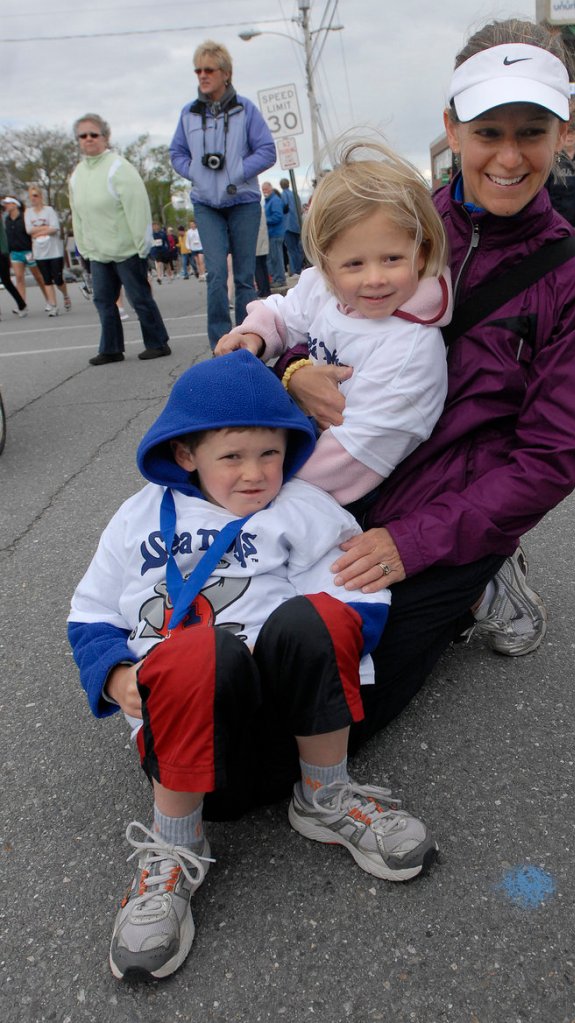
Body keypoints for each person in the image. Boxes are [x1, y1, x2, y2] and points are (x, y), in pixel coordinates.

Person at [270, 18, 575, 747]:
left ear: (561, 136)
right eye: (487, 129)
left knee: (329, 719)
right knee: (262, 655)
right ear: (451, 127)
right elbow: (305, 311)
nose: (508, 155)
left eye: (531, 131)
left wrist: (415, 541)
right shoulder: (397, 220)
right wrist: (291, 370)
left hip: (444, 514)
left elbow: (550, 457)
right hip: (352, 471)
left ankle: (483, 572)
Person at [67, 350, 436, 981]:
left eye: (270, 453)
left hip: (291, 716)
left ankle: (325, 796)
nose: (255, 473)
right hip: (187, 724)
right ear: (187, 455)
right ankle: (174, 847)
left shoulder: (302, 505)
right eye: (232, 457)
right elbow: (90, 610)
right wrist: (114, 674)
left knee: (313, 614)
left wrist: (335, 635)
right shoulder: (136, 518)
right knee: (196, 649)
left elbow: (357, 588)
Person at [216, 140, 451, 509]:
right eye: (354, 264)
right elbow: (284, 311)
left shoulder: (410, 347)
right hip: (314, 443)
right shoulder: (324, 289)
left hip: (366, 485)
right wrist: (253, 335)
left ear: (420, 255)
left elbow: (354, 454)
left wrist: (274, 492)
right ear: (326, 265)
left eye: (391, 258)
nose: (374, 279)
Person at [169, 40, 276, 348]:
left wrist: (237, 170)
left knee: (244, 277)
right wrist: (196, 171)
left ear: (226, 73)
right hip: (206, 204)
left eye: (209, 70)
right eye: (198, 70)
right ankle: (220, 344)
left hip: (242, 201)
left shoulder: (246, 110)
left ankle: (247, 341)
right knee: (216, 275)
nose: (202, 76)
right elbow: (176, 152)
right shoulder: (188, 114)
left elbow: (267, 151)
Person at [69, 113, 171, 366]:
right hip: (97, 253)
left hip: (127, 249)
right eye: (83, 136)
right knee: (103, 300)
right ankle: (111, 348)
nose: (89, 139)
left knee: (139, 299)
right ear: (78, 141)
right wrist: (83, 246)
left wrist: (142, 245)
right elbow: (77, 214)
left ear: (105, 137)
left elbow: (136, 208)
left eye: (94, 134)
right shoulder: (77, 174)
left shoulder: (118, 167)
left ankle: (157, 342)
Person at [24, 185, 70, 317]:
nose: (33, 199)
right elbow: (29, 230)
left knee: (58, 279)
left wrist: (39, 230)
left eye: (35, 196)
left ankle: (65, 295)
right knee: (47, 280)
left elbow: (54, 228)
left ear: (40, 197)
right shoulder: (28, 213)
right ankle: (54, 306)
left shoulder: (49, 210)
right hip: (39, 252)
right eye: (31, 196)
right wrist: (44, 229)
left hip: (54, 251)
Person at [2, 196, 49, 307]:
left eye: (8, 203)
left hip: (28, 251)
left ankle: (49, 300)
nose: (6, 205)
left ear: (15, 204)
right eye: (5, 203)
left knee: (38, 277)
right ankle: (22, 304)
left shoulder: (25, 217)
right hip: (15, 253)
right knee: (19, 277)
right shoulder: (6, 219)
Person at [0, 210, 28, 317]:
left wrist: (5, 253)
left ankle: (22, 305)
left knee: (6, 281)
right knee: (7, 282)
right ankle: (22, 305)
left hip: (2, 254)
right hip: (3, 253)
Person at [261, 181, 286, 287]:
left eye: (265, 189)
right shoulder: (268, 201)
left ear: (271, 189)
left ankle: (280, 279)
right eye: (263, 190)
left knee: (277, 258)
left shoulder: (274, 201)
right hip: (272, 234)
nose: (264, 192)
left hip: (275, 233)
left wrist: (264, 220)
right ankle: (276, 278)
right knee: (273, 258)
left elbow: (277, 216)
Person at [280, 176, 304, 276]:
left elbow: (284, 207)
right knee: (298, 249)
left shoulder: (283, 194)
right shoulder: (295, 194)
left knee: (291, 249)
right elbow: (300, 209)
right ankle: (299, 268)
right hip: (297, 225)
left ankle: (295, 270)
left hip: (287, 225)